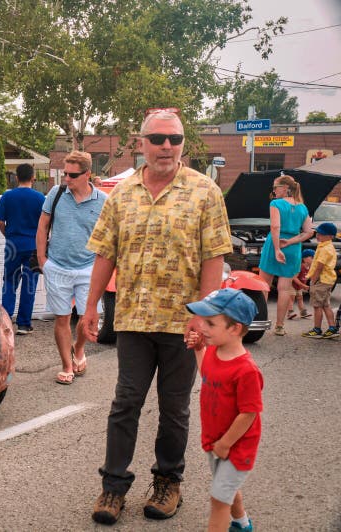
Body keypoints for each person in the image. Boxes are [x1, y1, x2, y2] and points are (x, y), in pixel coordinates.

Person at [81, 109, 232, 524]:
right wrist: (91, 305)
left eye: (176, 139)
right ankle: (113, 487)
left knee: (174, 407)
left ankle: (168, 483)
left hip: (183, 323)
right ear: (141, 143)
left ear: (184, 144)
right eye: (159, 139)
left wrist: (203, 317)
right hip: (132, 319)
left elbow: (213, 259)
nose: (167, 146)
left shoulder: (204, 192)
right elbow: (106, 253)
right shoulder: (122, 194)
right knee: (125, 402)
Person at [185, 288, 263, 532]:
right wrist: (199, 350)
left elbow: (249, 414)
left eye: (210, 322)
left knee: (219, 500)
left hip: (237, 444)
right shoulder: (215, 352)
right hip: (214, 439)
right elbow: (207, 376)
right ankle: (241, 524)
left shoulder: (247, 370)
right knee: (225, 487)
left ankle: (233, 524)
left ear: (235, 328)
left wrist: (227, 443)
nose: (202, 327)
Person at [35, 150, 107, 385]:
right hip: (57, 266)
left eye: (72, 175)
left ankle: (78, 349)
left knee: (86, 319)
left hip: (89, 268)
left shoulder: (103, 201)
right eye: (65, 173)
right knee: (62, 318)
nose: (66, 179)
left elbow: (108, 237)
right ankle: (66, 365)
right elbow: (43, 226)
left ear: (87, 174)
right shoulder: (56, 193)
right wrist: (42, 259)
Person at [257, 174, 313, 336]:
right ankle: (279, 326)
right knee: (284, 289)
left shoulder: (276, 203)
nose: (273, 191)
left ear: (285, 188)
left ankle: (259, 322)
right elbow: (309, 232)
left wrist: (277, 249)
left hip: (275, 244)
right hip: (293, 248)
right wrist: (290, 242)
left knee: (263, 286)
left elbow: (275, 227)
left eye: (275, 187)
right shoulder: (302, 207)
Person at [0, 163, 46, 334]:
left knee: (9, 282)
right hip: (33, 246)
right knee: (29, 284)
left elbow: (0, 222)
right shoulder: (40, 198)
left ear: (16, 177)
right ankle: (24, 324)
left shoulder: (7, 197)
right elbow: (45, 225)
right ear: (33, 177)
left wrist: (8, 235)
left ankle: (6, 322)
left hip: (13, 245)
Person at [301, 222, 339, 339]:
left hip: (321, 281)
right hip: (327, 280)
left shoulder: (325, 249)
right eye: (318, 233)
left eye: (322, 234)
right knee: (325, 305)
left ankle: (317, 329)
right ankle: (332, 328)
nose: (318, 236)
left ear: (331, 236)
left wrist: (313, 280)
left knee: (317, 306)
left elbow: (319, 266)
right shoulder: (325, 246)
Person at [287, 249, 313, 320]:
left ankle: (303, 312)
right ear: (304, 259)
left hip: (299, 286)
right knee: (291, 298)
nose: (313, 259)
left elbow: (306, 277)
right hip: (292, 285)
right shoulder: (300, 267)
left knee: (300, 298)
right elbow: (294, 278)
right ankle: (290, 312)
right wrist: (303, 285)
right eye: (312, 257)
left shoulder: (310, 268)